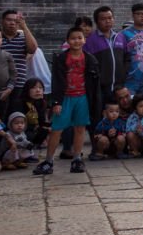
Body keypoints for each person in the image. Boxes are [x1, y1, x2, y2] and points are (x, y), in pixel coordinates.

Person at [33, 27, 100, 175]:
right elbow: (56, 81)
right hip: (65, 98)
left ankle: (77, 159)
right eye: (73, 38)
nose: (76, 41)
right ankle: (49, 161)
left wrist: (94, 102)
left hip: (82, 97)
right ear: (68, 41)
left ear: (84, 40)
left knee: (80, 128)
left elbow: (94, 84)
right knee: (57, 129)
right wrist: (56, 102)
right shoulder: (61, 58)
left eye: (79, 38)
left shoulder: (90, 59)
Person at [84, 6, 129, 111]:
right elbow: (87, 63)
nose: (107, 21)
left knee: (119, 113)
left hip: (119, 86)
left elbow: (127, 57)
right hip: (100, 87)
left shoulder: (120, 37)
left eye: (110, 18)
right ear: (97, 22)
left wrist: (124, 73)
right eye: (103, 19)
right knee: (100, 112)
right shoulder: (90, 40)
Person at [0, 10, 38, 107]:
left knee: (16, 115)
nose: (12, 23)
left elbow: (33, 49)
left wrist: (24, 26)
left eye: (15, 21)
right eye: (9, 20)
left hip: (19, 84)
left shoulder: (23, 38)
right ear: (2, 21)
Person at [0, 26, 17, 120]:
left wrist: (9, 89)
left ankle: (1, 134)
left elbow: (13, 74)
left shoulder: (7, 55)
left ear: (2, 40)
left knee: (2, 117)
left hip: (4, 93)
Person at [21, 78, 50, 148]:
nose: (38, 90)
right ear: (27, 90)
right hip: (22, 133)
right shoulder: (21, 103)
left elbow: (42, 122)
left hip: (35, 131)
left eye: (40, 88)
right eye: (34, 88)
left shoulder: (41, 103)